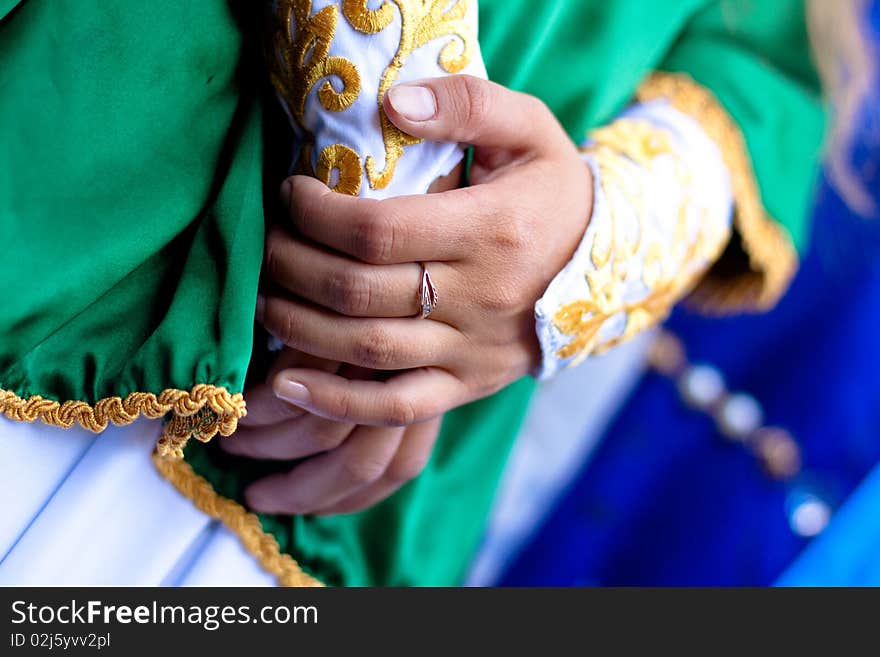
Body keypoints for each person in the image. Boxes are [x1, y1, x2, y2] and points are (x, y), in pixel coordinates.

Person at [0, 0, 824, 586]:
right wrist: (401, 177)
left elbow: (757, 65)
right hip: (90, 244)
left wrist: (578, 250)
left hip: (349, 495)